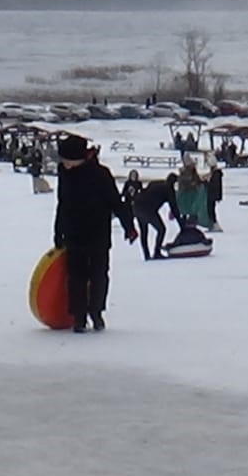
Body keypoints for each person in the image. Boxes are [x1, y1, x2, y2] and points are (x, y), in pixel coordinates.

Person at [52, 134, 136, 333]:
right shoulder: (64, 173)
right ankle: (79, 317)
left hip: (98, 233)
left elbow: (116, 202)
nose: (64, 163)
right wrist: (58, 231)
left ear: (78, 157)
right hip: (74, 233)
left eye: (66, 159)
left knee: (99, 275)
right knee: (76, 277)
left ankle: (96, 312)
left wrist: (129, 227)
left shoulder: (100, 174)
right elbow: (62, 204)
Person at [132, 174, 180, 261]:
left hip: (137, 206)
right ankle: (156, 252)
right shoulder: (168, 189)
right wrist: (182, 226)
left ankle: (146, 255)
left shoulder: (156, 183)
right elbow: (174, 208)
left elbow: (146, 189)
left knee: (144, 231)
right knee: (161, 229)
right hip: (148, 209)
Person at [206, 164, 224, 232]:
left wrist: (207, 184)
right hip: (213, 194)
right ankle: (213, 224)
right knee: (210, 210)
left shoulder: (215, 174)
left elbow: (214, 186)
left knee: (211, 210)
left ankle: (214, 225)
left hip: (212, 194)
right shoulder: (215, 174)